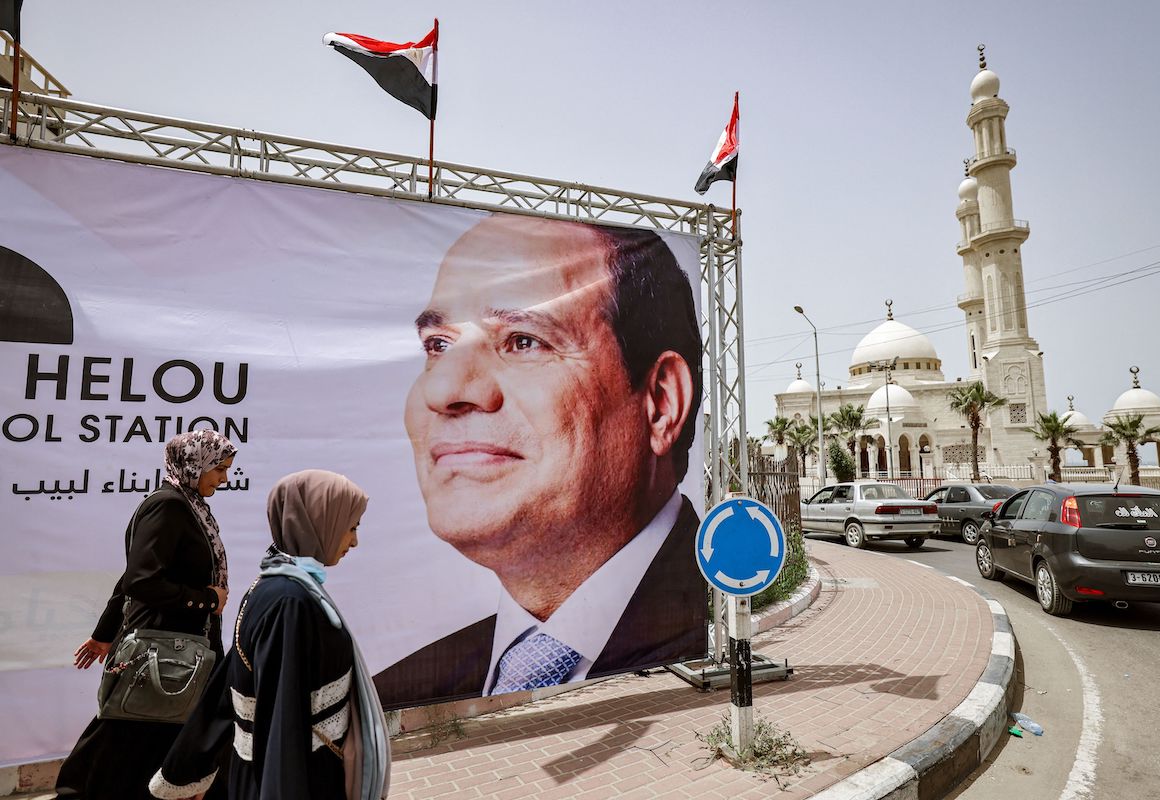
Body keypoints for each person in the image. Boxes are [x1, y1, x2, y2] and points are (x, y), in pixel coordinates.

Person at [373, 212, 707, 707]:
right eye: (438, 345)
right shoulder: (401, 688)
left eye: (523, 341)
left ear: (660, 403)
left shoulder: (716, 629)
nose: (441, 390)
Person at [149, 469, 390, 800]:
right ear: (321, 523)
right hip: (302, 778)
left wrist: (191, 765)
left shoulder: (276, 587)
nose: (354, 541)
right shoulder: (290, 602)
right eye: (351, 527)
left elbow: (232, 681)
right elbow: (283, 718)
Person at [55, 430, 238, 800]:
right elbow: (141, 580)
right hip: (164, 648)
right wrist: (206, 599)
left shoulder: (189, 506)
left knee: (155, 732)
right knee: (128, 731)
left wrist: (104, 634)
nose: (224, 479)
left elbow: (132, 576)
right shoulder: (168, 506)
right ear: (195, 465)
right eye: (219, 469)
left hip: (183, 645)